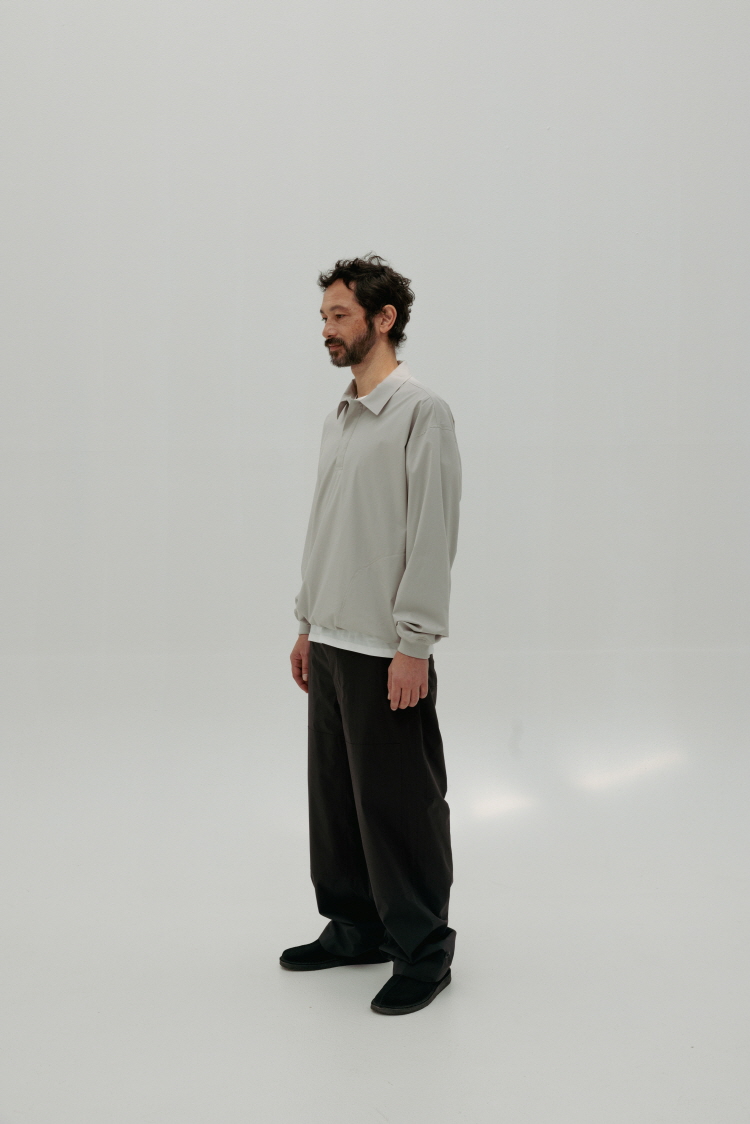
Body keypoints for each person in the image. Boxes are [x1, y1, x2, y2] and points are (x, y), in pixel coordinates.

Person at [284, 254, 462, 1016]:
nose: (327, 329)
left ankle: (423, 950)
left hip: (385, 649)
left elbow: (431, 534)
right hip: (331, 639)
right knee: (335, 801)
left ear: (384, 319)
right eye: (324, 316)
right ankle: (355, 926)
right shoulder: (342, 414)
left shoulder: (421, 413)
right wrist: (306, 621)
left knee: (399, 805)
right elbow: (328, 524)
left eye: (341, 316)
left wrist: (414, 644)